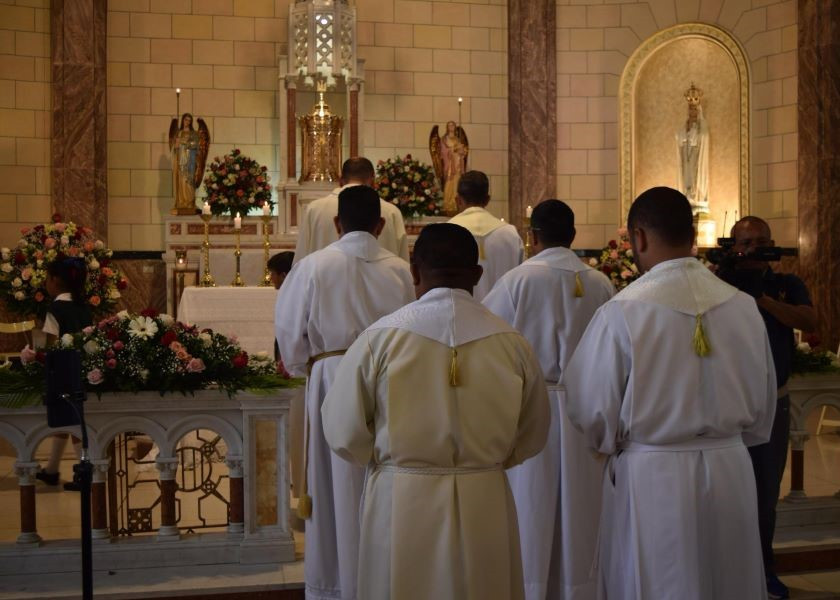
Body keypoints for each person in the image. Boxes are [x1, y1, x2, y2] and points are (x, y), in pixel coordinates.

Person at [562, 187, 777, 600]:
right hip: (731, 466)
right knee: (729, 579)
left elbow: (590, 407)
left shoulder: (623, 311)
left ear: (637, 237)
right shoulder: (744, 307)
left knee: (659, 582)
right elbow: (763, 400)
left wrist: (615, 443)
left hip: (654, 475)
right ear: (694, 234)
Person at [321, 223, 549, 600]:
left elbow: (344, 431)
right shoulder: (513, 343)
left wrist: (384, 460)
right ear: (478, 274)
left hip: (402, 497)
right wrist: (487, 461)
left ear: (414, 270)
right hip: (484, 496)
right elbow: (534, 431)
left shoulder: (381, 338)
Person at [275, 185, 414, 600]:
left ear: (336, 224)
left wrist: (309, 368)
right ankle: (380, 580)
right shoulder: (400, 270)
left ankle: (334, 583)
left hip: (330, 374)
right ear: (382, 224)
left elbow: (289, 331)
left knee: (332, 479)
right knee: (380, 476)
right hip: (388, 376)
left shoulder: (314, 266)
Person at [483, 199, 614, 600]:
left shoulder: (517, 281)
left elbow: (490, 343)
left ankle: (532, 589)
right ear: (573, 236)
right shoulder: (600, 283)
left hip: (530, 406)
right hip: (585, 406)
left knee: (531, 509)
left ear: (532, 235)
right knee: (582, 511)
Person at [720, 216, 817, 600]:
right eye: (746, 242)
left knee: (763, 496)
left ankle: (764, 570)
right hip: (726, 407)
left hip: (771, 405)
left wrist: (762, 298)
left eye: (761, 242)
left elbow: (810, 319)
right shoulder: (718, 281)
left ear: (773, 245)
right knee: (725, 492)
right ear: (732, 245)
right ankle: (724, 569)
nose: (754, 249)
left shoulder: (785, 284)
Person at [35, 258, 93, 491]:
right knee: (66, 422)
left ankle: (83, 475)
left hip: (62, 371)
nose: (46, 283)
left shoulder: (56, 309)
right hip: (83, 369)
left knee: (73, 425)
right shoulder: (84, 307)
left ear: (56, 281)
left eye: (47, 278)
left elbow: (51, 344)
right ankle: (51, 470)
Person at [294, 157, 409, 264]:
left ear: (340, 180)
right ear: (373, 181)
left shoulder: (315, 209)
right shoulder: (391, 212)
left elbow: (301, 260)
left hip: (326, 283)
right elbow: (403, 264)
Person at [448, 170, 523, 300]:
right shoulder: (510, 234)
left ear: (458, 200)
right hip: (501, 316)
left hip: (459, 315)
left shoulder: (445, 232)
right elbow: (520, 281)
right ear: (487, 199)